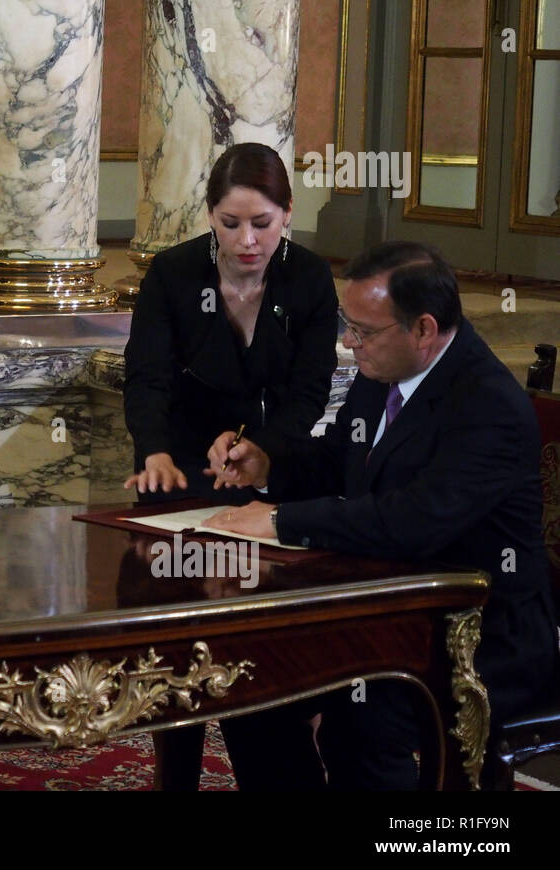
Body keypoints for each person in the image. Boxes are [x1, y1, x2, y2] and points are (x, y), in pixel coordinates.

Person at [207, 240, 558, 789]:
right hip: (388, 607)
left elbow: (411, 522)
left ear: (423, 329)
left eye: (364, 331)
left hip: (479, 632)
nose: (349, 342)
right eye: (349, 324)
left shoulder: (488, 407)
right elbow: (344, 461)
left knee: (361, 717)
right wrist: (268, 463)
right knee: (246, 678)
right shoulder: (385, 374)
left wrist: (280, 521)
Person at [123, 142, 339, 502]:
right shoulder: (173, 273)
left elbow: (310, 389)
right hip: (180, 465)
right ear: (210, 215)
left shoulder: (310, 277)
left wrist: (261, 450)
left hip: (271, 460)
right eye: (230, 224)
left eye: (261, 223)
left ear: (287, 212)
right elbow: (147, 376)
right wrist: (154, 450)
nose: (247, 240)